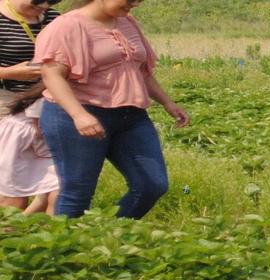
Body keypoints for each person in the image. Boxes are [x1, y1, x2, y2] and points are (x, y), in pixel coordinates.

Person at [33, 0, 190, 219]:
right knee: (77, 192)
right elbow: (51, 74)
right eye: (129, 0)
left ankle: (108, 235)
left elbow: (140, 70)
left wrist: (167, 102)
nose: (134, 4)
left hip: (131, 116)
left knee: (152, 185)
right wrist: (79, 115)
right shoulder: (66, 26)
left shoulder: (127, 23)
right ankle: (64, 249)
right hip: (77, 115)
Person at [0, 83, 56, 212]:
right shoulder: (50, 97)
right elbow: (40, 133)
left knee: (55, 184)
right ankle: (9, 228)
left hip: (28, 140)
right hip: (18, 143)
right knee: (14, 194)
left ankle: (32, 224)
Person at [0, 0, 60, 111]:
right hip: (8, 99)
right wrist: (9, 73)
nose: (45, 5)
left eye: (53, 0)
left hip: (51, 97)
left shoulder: (54, 17)